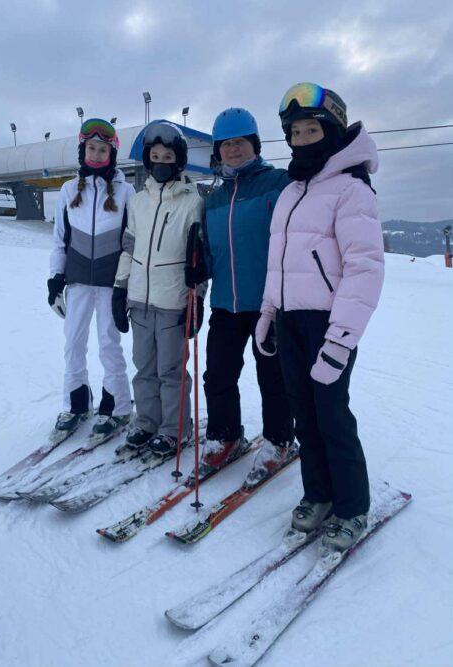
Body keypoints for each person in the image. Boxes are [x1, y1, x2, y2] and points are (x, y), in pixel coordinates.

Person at [256, 82, 385, 551]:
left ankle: (352, 508)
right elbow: (278, 262)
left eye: (311, 130)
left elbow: (364, 269)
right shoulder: (292, 192)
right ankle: (319, 493)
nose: (302, 139)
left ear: (331, 131)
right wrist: (269, 312)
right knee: (304, 417)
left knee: (332, 416)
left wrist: (341, 338)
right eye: (295, 132)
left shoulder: (351, 190)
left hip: (328, 323)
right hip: (290, 320)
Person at [186, 107, 295, 483]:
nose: (233, 150)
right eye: (225, 145)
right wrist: (198, 273)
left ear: (255, 145)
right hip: (226, 305)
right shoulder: (213, 200)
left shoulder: (278, 183)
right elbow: (210, 253)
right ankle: (225, 435)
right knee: (217, 374)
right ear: (217, 152)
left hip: (270, 305)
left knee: (273, 378)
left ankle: (280, 440)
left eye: (240, 143)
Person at [113, 121, 205, 455]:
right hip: (139, 300)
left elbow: (198, 259)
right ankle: (147, 422)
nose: (161, 162)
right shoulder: (138, 202)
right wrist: (120, 288)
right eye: (155, 157)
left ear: (178, 161)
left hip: (172, 302)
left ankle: (175, 428)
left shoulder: (192, 203)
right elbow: (128, 248)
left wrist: (198, 300)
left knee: (171, 370)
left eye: (168, 157)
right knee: (144, 368)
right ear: (148, 161)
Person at [48, 118, 133, 437]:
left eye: (103, 150)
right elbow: (60, 239)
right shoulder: (69, 190)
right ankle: (76, 404)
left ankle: (117, 407)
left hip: (110, 283)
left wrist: (126, 285)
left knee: (109, 344)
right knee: (73, 343)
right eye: (92, 148)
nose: (97, 154)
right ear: (83, 151)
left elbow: (131, 241)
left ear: (112, 155)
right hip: (78, 281)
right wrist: (55, 279)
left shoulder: (126, 191)